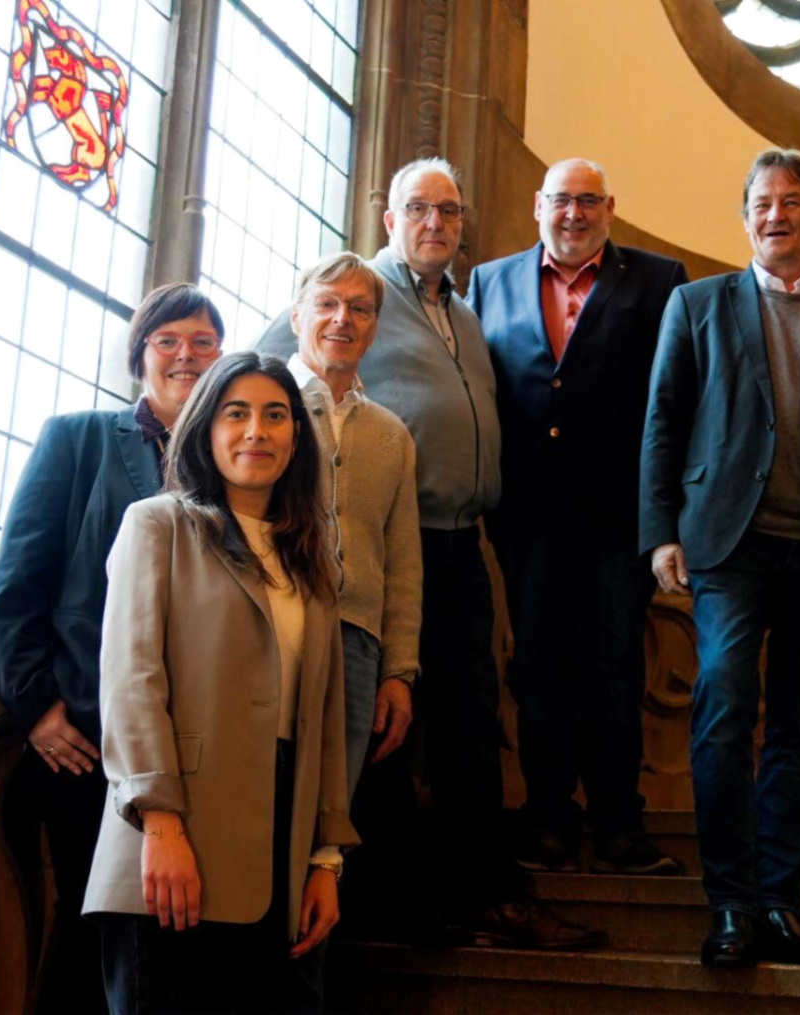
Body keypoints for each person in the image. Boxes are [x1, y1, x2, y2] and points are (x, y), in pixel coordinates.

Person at [259, 158, 604, 950]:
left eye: (449, 211)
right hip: (380, 543)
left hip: (460, 545)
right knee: (385, 728)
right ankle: (395, 904)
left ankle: (479, 895)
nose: (435, 224)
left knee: (469, 724)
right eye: (419, 209)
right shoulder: (356, 295)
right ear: (390, 219)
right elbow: (263, 370)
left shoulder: (465, 310)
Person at [640, 149, 800, 967]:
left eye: (792, 201)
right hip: (730, 546)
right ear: (745, 216)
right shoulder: (696, 304)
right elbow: (663, 419)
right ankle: (730, 903)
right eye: (761, 202)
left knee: (797, 722)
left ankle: (780, 903)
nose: (775, 214)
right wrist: (660, 532)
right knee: (723, 701)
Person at [83, 352, 357, 1013]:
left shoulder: (313, 559)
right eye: (236, 413)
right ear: (205, 428)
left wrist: (325, 856)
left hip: (279, 849)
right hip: (171, 838)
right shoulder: (158, 524)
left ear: (297, 436)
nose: (256, 431)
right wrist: (160, 822)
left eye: (275, 415)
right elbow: (131, 679)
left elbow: (325, 719)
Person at [0, 283, 224, 1011]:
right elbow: (20, 579)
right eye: (167, 341)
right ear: (139, 355)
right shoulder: (77, 438)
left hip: (196, 745)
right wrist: (35, 707)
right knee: (92, 933)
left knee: (174, 939)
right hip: (87, 738)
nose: (185, 355)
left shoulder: (235, 459)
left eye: (203, 342)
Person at [467, 159, 687, 876]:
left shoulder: (659, 281)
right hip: (527, 519)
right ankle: (548, 820)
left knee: (615, 665)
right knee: (537, 668)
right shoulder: (488, 282)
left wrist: (667, 516)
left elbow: (674, 400)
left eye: (588, 200)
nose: (574, 212)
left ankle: (620, 824)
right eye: (562, 199)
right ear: (539, 205)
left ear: (610, 208)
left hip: (620, 519)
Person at [285, 251, 422, 797]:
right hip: (272, 631)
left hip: (358, 648)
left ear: (373, 329)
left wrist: (399, 673)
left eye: (360, 309)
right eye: (327, 304)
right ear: (297, 317)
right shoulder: (260, 407)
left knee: (333, 809)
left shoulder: (392, 435)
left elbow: (404, 564)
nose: (343, 318)